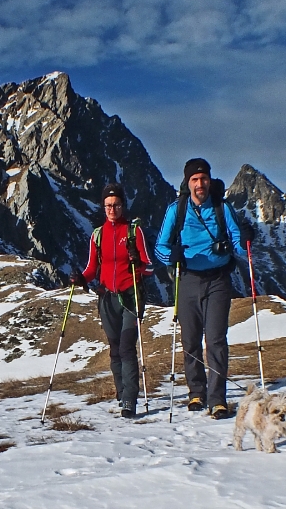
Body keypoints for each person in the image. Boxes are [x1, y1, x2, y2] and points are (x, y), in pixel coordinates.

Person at [154, 158, 253, 419]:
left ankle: (217, 399)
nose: (200, 184)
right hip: (187, 279)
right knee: (190, 340)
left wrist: (245, 239)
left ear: (210, 181)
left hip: (219, 280)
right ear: (188, 183)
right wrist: (172, 256)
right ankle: (196, 392)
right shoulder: (177, 209)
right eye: (195, 180)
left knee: (217, 339)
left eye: (204, 179)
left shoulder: (223, 208)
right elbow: (160, 248)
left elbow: (241, 249)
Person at [71, 183, 151, 419]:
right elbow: (91, 269)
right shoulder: (98, 235)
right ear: (103, 207)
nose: (112, 209)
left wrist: (137, 262)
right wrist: (80, 278)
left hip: (130, 297)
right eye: (108, 205)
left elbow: (149, 266)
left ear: (122, 205)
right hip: (107, 298)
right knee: (115, 349)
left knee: (126, 347)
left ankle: (130, 399)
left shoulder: (134, 231)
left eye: (116, 204)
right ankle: (121, 393)